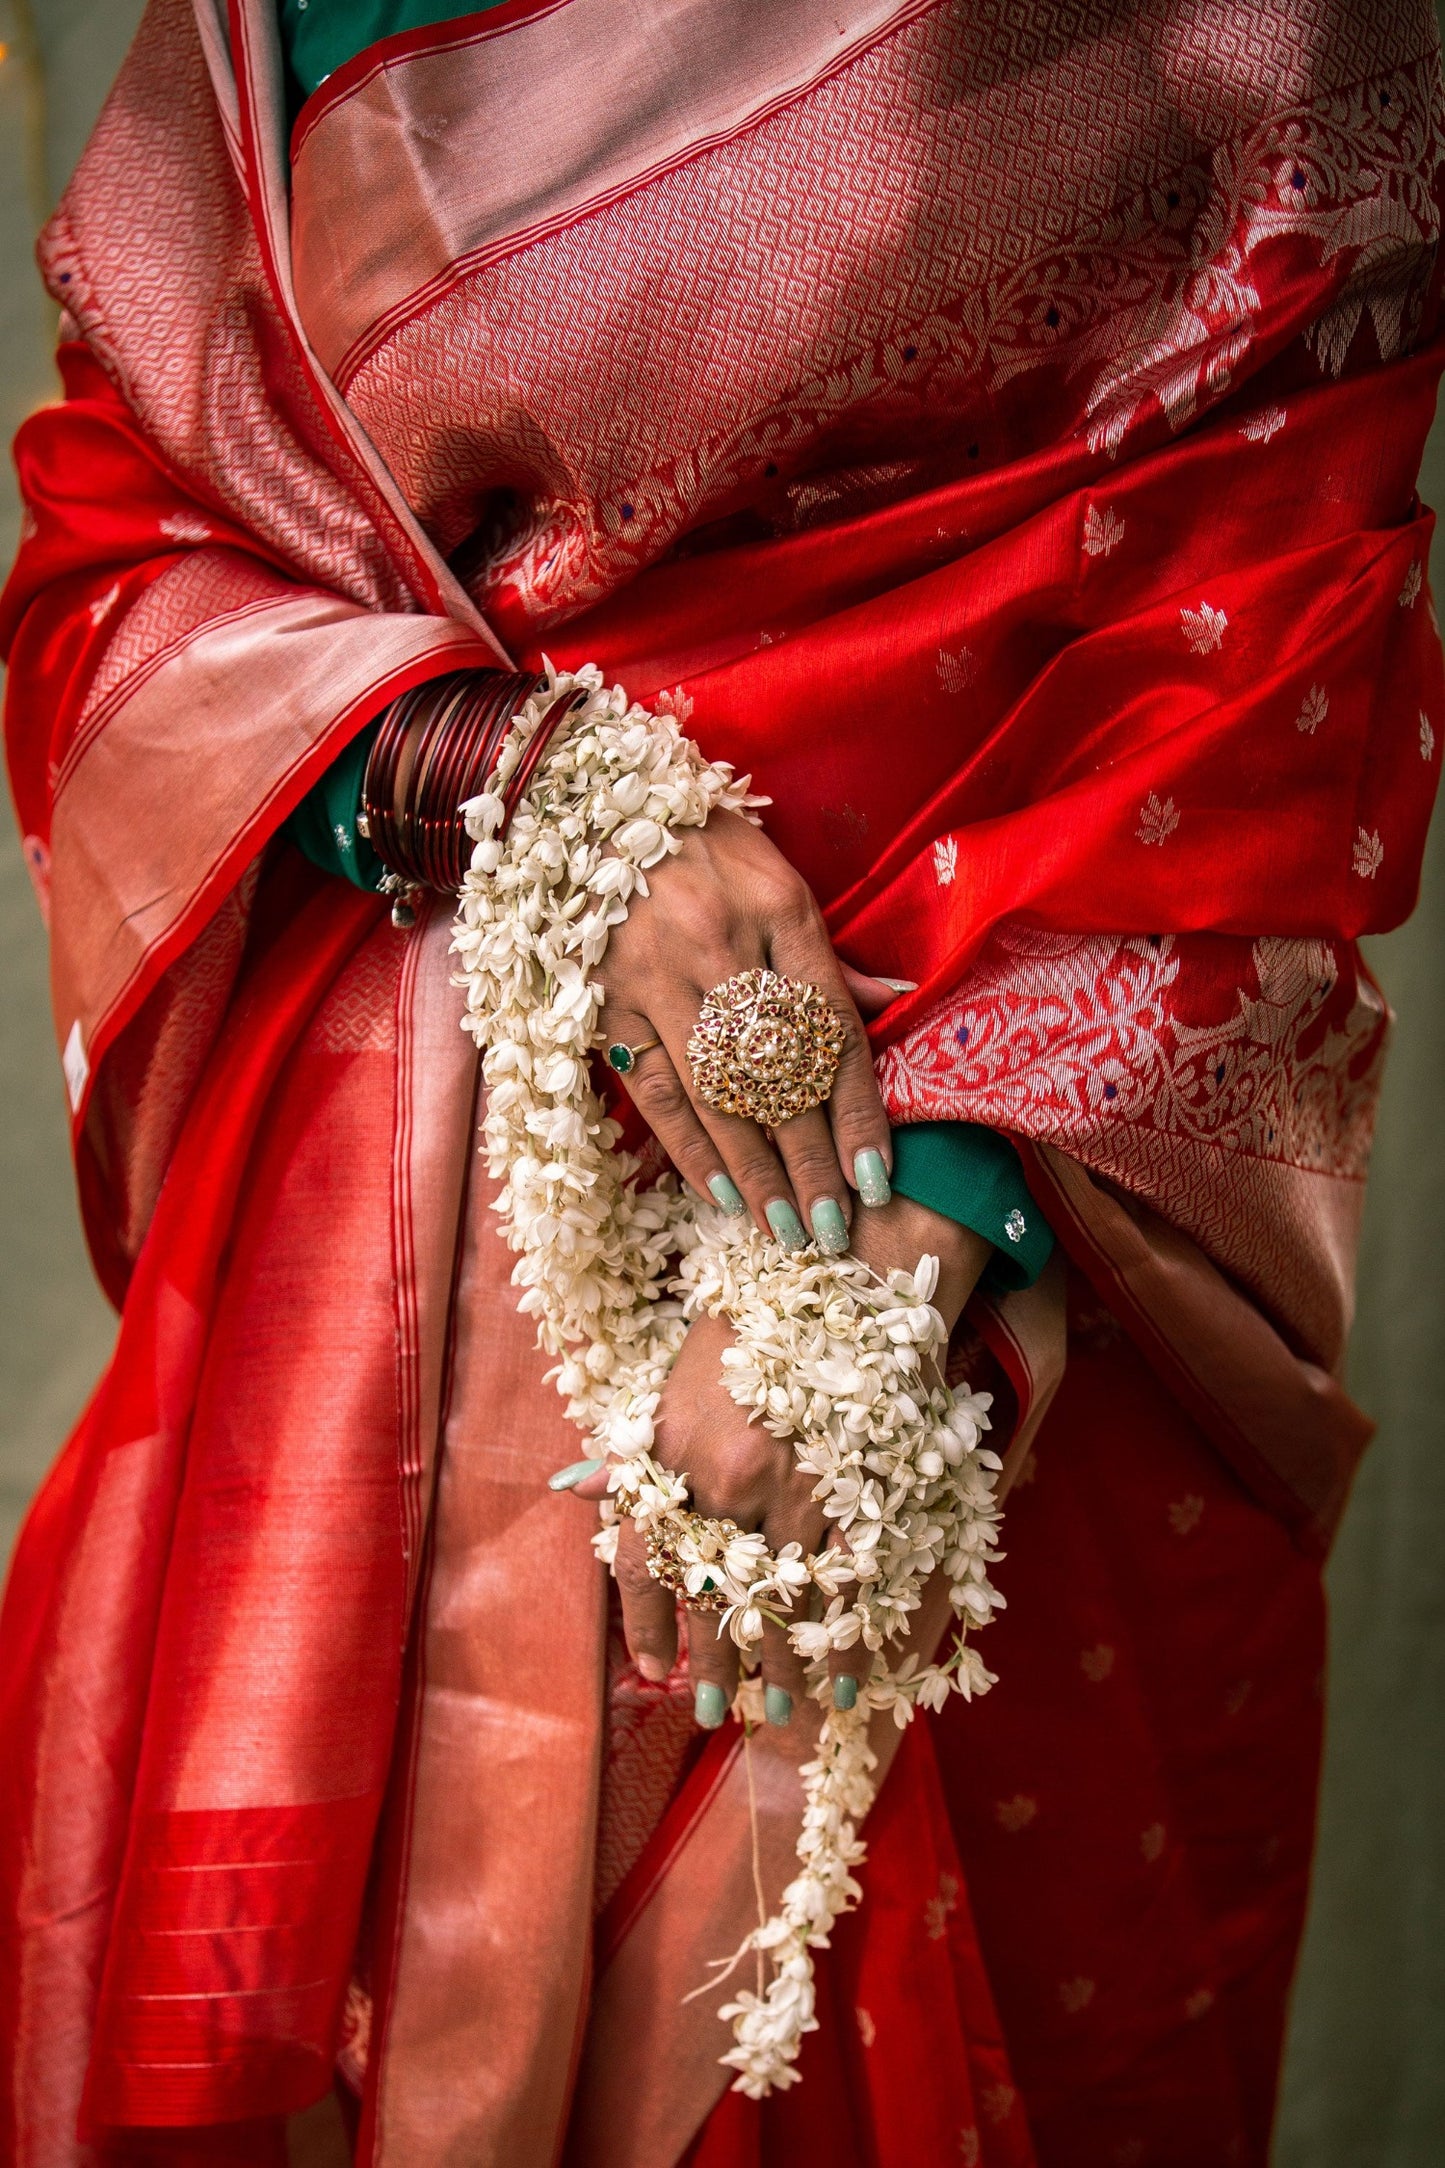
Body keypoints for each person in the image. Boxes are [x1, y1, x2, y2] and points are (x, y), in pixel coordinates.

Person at [1, 2, 1441, 2162]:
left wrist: (935, 1204)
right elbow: (118, 537)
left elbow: (1290, 537)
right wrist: (508, 779)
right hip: (379, 1223)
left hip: (1011, 1215)